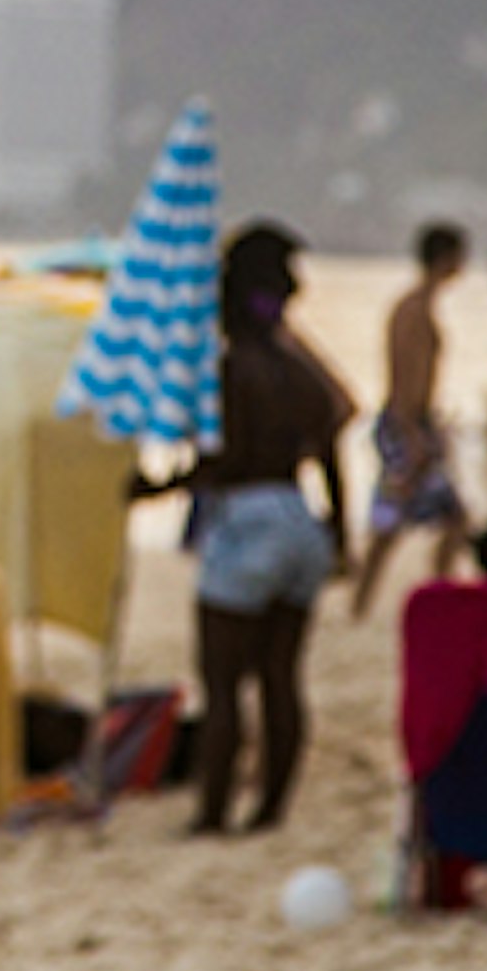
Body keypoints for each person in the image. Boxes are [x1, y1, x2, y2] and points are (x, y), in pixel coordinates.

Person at [185, 221, 355, 834]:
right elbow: (334, 436)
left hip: (247, 523)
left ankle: (212, 813)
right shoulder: (299, 371)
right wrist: (343, 533)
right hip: (301, 519)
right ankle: (270, 810)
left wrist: (157, 486)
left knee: (223, 682)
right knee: (282, 678)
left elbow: (225, 461)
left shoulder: (234, 369)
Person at [349, 223, 471, 617]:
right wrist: (411, 432)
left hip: (415, 423)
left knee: (437, 521)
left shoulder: (420, 306)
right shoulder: (413, 310)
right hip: (406, 424)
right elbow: (403, 376)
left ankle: (423, 596)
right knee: (404, 523)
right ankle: (366, 604)